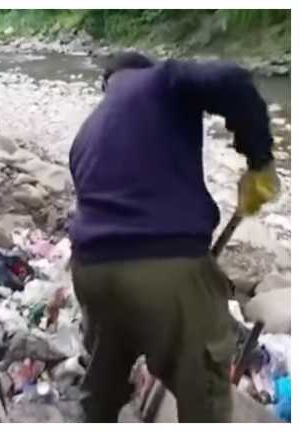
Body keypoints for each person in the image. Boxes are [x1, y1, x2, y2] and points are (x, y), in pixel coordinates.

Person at [68, 52, 280, 422]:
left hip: (90, 273)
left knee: (101, 386)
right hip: (166, 271)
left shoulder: (87, 130)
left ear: (107, 84)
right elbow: (233, 79)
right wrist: (259, 160)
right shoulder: (161, 79)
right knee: (204, 396)